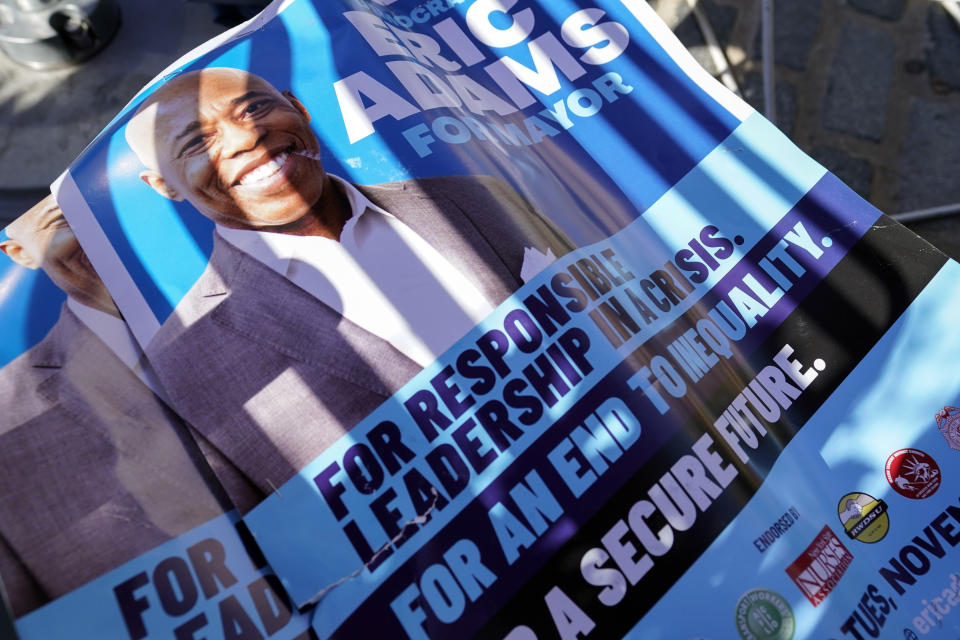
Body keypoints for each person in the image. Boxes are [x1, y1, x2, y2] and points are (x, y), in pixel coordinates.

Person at [123, 67, 574, 510]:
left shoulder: (474, 197)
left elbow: (615, 314)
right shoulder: (177, 369)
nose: (246, 139)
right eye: (197, 142)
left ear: (298, 107)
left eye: (255, 108)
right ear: (164, 186)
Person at [0, 197, 227, 617]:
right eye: (64, 223)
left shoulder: (251, 284)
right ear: (19, 253)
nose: (97, 231)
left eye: (106, 205)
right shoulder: (8, 420)